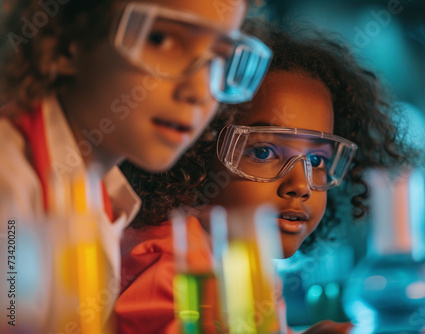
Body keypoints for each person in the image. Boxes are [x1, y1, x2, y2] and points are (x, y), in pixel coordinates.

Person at [116, 21, 416, 333]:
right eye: (263, 153)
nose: (300, 186)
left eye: (316, 160)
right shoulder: (172, 266)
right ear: (196, 153)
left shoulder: (240, 259)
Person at [0, 0, 271, 331]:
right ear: (63, 44)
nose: (199, 91)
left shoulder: (96, 192)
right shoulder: (10, 184)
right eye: (160, 40)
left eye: (221, 60)